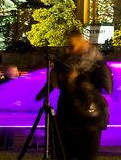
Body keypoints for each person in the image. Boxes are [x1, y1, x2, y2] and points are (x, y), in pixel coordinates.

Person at [36, 29, 113, 160]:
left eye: (73, 45)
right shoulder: (64, 62)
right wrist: (48, 87)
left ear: (83, 42)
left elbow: (107, 88)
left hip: (89, 118)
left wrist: (77, 81)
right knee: (63, 154)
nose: (70, 48)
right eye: (69, 45)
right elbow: (51, 84)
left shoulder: (97, 63)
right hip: (67, 116)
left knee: (86, 155)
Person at [0, 65, 20, 150]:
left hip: (6, 107)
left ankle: (4, 144)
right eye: (15, 71)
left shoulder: (3, 82)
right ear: (9, 72)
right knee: (10, 126)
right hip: (10, 107)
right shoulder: (12, 82)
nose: (17, 72)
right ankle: (8, 144)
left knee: (6, 126)